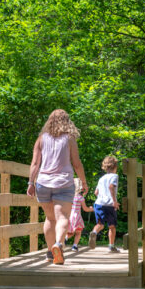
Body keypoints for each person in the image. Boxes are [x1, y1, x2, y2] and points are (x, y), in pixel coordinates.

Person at [27, 109, 88, 264]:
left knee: (50, 218)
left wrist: (30, 183)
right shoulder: (69, 139)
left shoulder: (41, 139)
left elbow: (35, 163)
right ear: (67, 121)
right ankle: (58, 244)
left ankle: (49, 252)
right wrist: (84, 182)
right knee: (62, 217)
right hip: (63, 183)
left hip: (43, 183)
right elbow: (77, 164)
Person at [88, 156, 120, 253]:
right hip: (109, 205)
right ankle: (111, 246)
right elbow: (111, 186)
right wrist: (114, 201)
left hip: (99, 204)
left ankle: (94, 232)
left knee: (100, 224)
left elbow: (96, 192)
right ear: (115, 166)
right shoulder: (114, 176)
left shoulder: (101, 178)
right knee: (112, 226)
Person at [65, 178, 94, 251]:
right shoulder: (80, 198)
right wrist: (92, 209)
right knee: (78, 232)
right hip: (77, 216)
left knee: (70, 233)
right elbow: (85, 209)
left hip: (70, 216)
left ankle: (65, 239)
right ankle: (74, 246)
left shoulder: (69, 197)